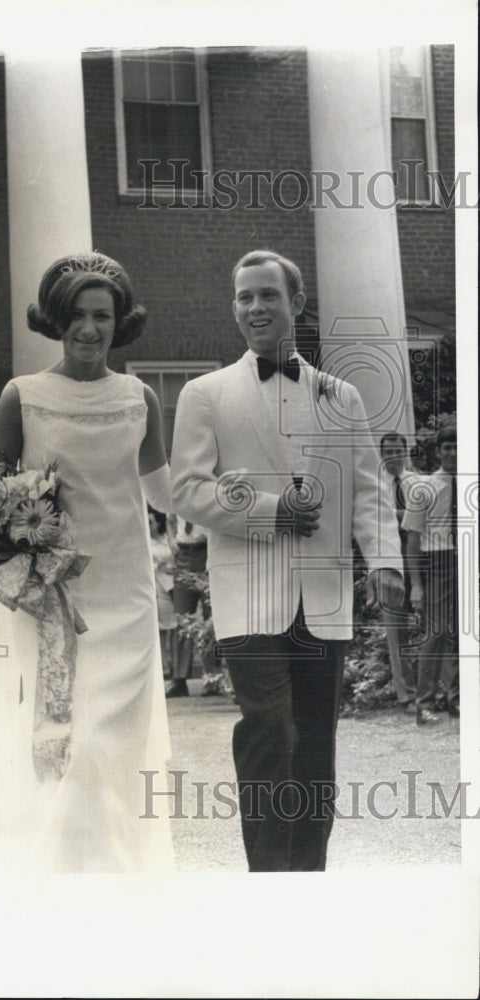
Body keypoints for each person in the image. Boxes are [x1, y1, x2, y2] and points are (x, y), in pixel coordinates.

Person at [0, 251, 175, 873]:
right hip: (50, 597)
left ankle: (116, 871)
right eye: (76, 316)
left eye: (102, 316)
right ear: (56, 321)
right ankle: (56, 874)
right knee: (65, 733)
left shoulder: (139, 397)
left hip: (126, 593)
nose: (89, 329)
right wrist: (15, 549)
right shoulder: (24, 396)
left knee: (112, 738)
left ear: (121, 322)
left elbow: (166, 493)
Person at [171, 248, 405, 872]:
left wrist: (384, 559)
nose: (254, 308)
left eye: (267, 295)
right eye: (244, 297)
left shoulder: (342, 396)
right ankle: (268, 882)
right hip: (249, 595)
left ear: (296, 304)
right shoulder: (205, 393)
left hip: (324, 598)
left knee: (315, 746)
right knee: (269, 728)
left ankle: (309, 883)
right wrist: (270, 510)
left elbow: (370, 488)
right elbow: (187, 489)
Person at [403, 422, 459, 724]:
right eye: (447, 448)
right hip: (436, 561)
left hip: (464, 560)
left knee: (461, 633)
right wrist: (416, 585)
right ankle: (424, 703)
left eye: (458, 447)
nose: (453, 453)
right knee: (436, 633)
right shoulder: (424, 488)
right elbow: (412, 539)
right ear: (438, 452)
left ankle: (456, 699)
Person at [379, 432, 420, 713]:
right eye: (388, 451)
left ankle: (436, 691)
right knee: (396, 630)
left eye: (398, 450)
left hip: (419, 557)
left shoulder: (417, 482)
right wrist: (405, 515)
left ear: (406, 452)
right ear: (382, 455)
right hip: (390, 560)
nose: (394, 456)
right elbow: (374, 517)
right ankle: (406, 695)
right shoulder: (376, 487)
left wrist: (396, 515)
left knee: (432, 624)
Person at [164, 515, 221, 697]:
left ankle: (213, 678)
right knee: (182, 618)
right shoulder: (176, 491)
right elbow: (170, 519)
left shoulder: (206, 491)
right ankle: (179, 679)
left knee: (210, 617)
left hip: (206, 552)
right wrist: (171, 539)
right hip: (183, 554)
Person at [148, 507, 176, 679]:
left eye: (151, 522)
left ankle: (175, 665)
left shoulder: (168, 539)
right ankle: (164, 666)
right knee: (162, 626)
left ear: (159, 522)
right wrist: (159, 567)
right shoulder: (147, 543)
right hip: (159, 585)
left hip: (174, 583)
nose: (149, 526)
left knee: (176, 626)